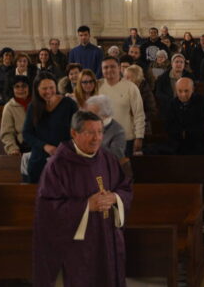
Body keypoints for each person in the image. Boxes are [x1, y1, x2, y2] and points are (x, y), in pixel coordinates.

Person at [33, 110, 133, 287]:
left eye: (100, 132)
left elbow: (124, 187)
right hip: (77, 246)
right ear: (74, 133)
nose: (97, 138)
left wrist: (114, 198)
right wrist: (86, 206)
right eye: (90, 133)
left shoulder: (107, 159)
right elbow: (47, 208)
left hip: (106, 237)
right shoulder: (58, 165)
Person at [24, 72, 79, 183]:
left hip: (64, 159)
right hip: (39, 161)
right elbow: (27, 133)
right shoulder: (33, 106)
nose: (48, 91)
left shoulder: (69, 104)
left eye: (51, 87)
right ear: (37, 89)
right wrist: (45, 146)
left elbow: (78, 131)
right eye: (44, 88)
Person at [98, 57, 146, 157]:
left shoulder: (131, 87)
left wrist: (139, 137)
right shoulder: (98, 86)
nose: (109, 70)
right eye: (105, 67)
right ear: (102, 70)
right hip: (102, 139)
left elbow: (139, 114)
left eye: (112, 66)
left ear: (119, 68)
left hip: (125, 139)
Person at [161, 77, 204, 155]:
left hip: (198, 145)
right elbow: (168, 125)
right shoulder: (172, 104)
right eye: (180, 91)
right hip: (176, 144)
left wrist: (187, 133)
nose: (183, 94)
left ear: (192, 89)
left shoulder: (203, 102)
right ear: (176, 91)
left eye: (186, 91)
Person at [84, 95, 126, 160]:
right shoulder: (89, 125)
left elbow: (116, 157)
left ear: (104, 114)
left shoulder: (118, 131)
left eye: (91, 114)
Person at [0, 75, 31, 156]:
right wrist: (12, 148)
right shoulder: (9, 107)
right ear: (12, 89)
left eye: (24, 86)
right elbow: (7, 133)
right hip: (23, 145)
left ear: (29, 88)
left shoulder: (36, 104)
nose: (21, 89)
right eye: (17, 86)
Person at [122, 65, 158, 134]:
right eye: (124, 77)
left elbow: (152, 112)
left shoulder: (146, 91)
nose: (124, 80)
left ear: (136, 78)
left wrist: (137, 117)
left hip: (142, 128)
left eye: (128, 77)